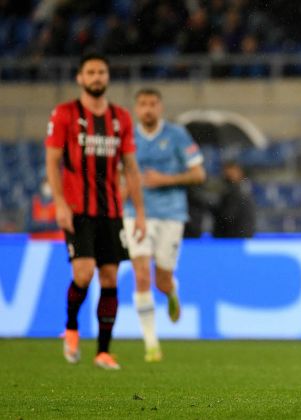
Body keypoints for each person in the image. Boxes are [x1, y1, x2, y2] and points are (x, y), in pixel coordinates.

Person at [45, 52, 146, 370]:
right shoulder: (64, 114)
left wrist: (139, 212)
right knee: (84, 273)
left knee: (110, 276)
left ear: (108, 77)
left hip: (112, 211)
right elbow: (52, 159)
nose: (96, 77)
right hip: (77, 209)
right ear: (80, 78)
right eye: (90, 72)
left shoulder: (121, 118)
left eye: (101, 72)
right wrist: (59, 202)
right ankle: (72, 328)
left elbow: (130, 167)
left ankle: (103, 351)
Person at [123, 88, 206, 362]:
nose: (148, 109)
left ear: (160, 107)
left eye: (153, 104)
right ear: (136, 109)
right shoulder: (127, 137)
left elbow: (198, 173)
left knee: (161, 279)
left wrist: (164, 180)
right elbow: (115, 173)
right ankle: (151, 344)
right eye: (143, 104)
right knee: (142, 275)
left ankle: (171, 292)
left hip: (171, 214)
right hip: (135, 213)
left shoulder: (176, 135)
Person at [211, 161, 256, 238]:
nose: (229, 175)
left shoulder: (240, 190)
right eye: (226, 172)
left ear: (240, 172)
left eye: (232, 171)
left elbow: (228, 216)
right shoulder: (226, 189)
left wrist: (211, 207)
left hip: (237, 237)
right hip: (231, 237)